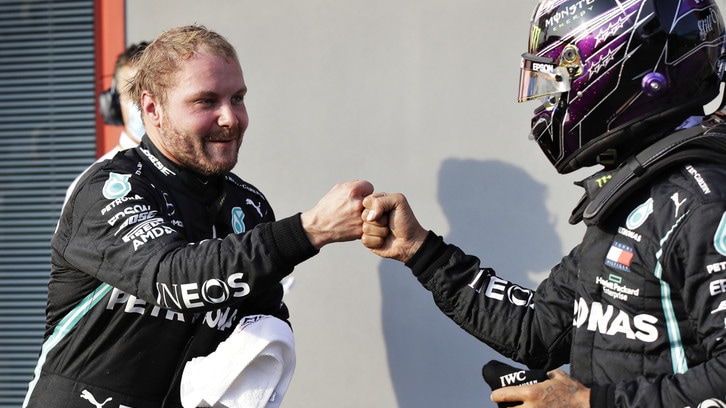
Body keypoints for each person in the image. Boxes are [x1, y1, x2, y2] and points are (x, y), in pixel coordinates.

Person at [361, 0, 726, 407]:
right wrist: (420, 251)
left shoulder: (703, 203)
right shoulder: (636, 192)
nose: (549, 104)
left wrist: (589, 402)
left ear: (624, 71)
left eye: (559, 81)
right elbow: (539, 330)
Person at [25, 24, 373, 408]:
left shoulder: (249, 206)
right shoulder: (109, 188)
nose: (230, 118)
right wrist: (310, 230)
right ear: (153, 109)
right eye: (206, 101)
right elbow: (173, 278)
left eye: (237, 98)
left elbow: (262, 326)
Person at [63, 42, 148, 207]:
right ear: (113, 103)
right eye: (131, 93)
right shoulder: (90, 184)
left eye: (150, 92)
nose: (144, 103)